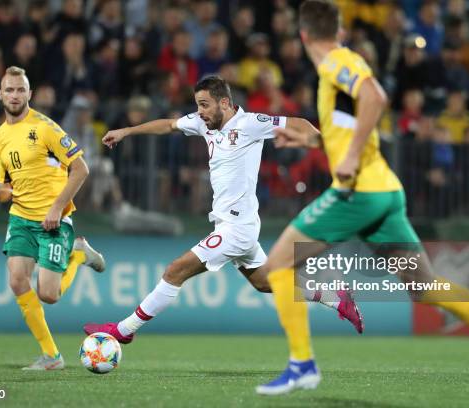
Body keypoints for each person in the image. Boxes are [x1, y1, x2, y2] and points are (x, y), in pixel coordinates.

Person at [256, 0, 469, 396]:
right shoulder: (336, 68)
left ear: (303, 35)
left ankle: (301, 364)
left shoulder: (335, 62)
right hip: (384, 195)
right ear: (336, 30)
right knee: (424, 286)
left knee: (276, 266)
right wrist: (312, 138)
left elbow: (374, 96)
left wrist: (350, 155)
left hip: (358, 195)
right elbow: (351, 128)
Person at [83, 75, 363, 343]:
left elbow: (300, 124)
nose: (199, 112)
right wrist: (127, 131)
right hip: (231, 224)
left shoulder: (251, 124)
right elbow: (169, 125)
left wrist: (324, 144)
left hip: (238, 228)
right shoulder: (204, 123)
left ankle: (123, 330)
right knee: (265, 283)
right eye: (197, 105)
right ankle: (335, 296)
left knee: (175, 271)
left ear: (225, 103)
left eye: (204, 105)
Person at [0, 66, 106, 370]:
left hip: (53, 219)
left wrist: (56, 209)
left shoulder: (45, 127)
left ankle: (77, 255)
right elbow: (11, 182)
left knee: (48, 295)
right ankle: (52, 356)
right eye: (9, 90)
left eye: (20, 89)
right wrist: (1, 193)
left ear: (29, 94)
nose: (14, 95)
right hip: (21, 218)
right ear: (0, 94)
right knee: (16, 280)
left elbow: (81, 169)